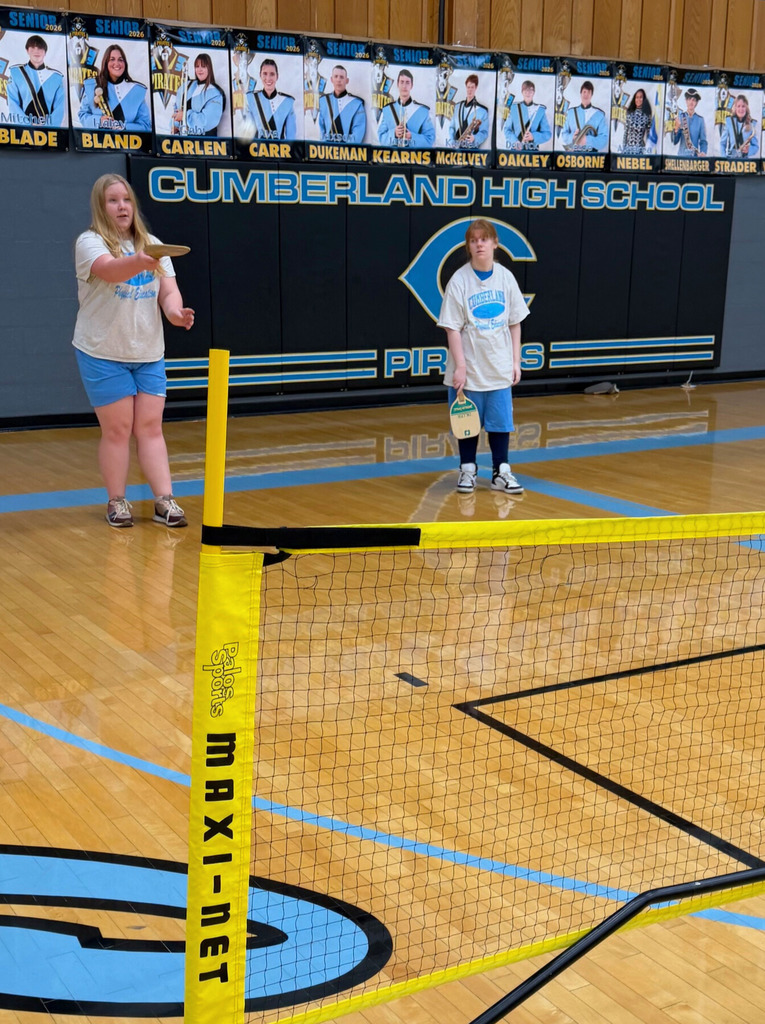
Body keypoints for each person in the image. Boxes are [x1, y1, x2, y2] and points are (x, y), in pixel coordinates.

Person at [72, 174, 194, 528]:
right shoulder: (90, 243)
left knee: (151, 426)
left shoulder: (152, 244)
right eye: (112, 200)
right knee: (118, 429)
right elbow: (111, 272)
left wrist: (174, 312)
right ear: (101, 206)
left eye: (126, 199)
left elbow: (168, 291)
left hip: (148, 351)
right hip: (102, 351)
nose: (121, 206)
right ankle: (117, 501)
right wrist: (141, 261)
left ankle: (164, 500)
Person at [437, 219, 529, 495]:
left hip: (498, 366)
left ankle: (501, 472)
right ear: (468, 246)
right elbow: (452, 327)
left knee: (501, 423)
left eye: (484, 239)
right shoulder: (459, 281)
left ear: (494, 243)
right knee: (467, 424)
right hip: (469, 368)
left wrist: (515, 361)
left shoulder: (505, 278)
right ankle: (467, 470)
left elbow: (515, 322)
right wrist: (460, 366)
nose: (479, 244)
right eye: (474, 240)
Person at [78, 44, 151, 132]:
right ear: (106, 62)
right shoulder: (92, 85)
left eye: (120, 60)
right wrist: (99, 121)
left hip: (127, 144)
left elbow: (145, 125)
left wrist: (123, 127)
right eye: (112, 59)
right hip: (98, 144)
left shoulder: (137, 90)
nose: (117, 63)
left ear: (125, 63)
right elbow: (82, 115)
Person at [7, 35, 65, 127]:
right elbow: (12, 103)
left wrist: (48, 128)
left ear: (45, 52)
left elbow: (60, 108)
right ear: (27, 50)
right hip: (22, 131)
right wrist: (27, 125)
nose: (36, 51)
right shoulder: (16, 73)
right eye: (33, 47)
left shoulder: (56, 77)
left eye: (40, 48)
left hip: (49, 133)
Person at [377, 69, 435, 148]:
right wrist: (394, 133)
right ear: (397, 84)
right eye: (402, 82)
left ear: (411, 85)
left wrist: (412, 137)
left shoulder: (422, 111)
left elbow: (430, 139)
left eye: (407, 82)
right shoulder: (387, 109)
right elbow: (380, 138)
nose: (404, 86)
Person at [172, 53, 225, 136]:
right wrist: (174, 126)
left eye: (203, 66)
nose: (200, 70)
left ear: (209, 68)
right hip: (181, 143)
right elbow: (176, 112)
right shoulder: (186, 86)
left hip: (204, 143)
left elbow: (206, 122)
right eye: (197, 66)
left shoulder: (215, 93)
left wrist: (185, 116)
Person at [247, 58, 296, 140]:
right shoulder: (251, 99)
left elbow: (291, 138)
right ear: (260, 75)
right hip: (256, 150)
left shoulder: (287, 102)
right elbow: (247, 135)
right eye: (265, 74)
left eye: (272, 74)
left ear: (277, 76)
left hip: (280, 151)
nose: (268, 78)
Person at [319, 65, 366, 144]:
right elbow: (321, 130)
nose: (338, 80)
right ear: (331, 79)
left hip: (348, 153)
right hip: (326, 153)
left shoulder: (357, 103)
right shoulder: (323, 101)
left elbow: (358, 135)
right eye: (336, 76)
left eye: (341, 77)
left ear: (346, 80)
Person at [503, 79, 551, 150]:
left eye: (530, 91)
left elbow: (547, 134)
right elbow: (507, 129)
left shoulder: (540, 110)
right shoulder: (514, 108)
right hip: (516, 150)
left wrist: (534, 136)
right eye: (525, 91)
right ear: (522, 92)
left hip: (532, 151)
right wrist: (515, 141)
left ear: (534, 92)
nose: (528, 93)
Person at [560, 80, 608, 152]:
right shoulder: (571, 113)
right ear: (580, 93)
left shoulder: (599, 115)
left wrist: (587, 140)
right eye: (584, 92)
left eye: (589, 92)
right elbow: (563, 135)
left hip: (592, 157)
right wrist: (572, 137)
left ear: (592, 95)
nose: (586, 95)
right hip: (574, 156)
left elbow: (603, 139)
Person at [448, 74, 489, 149]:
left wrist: (475, 138)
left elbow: (484, 132)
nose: (470, 90)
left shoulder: (483, 111)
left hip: (472, 150)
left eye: (472, 87)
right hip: (456, 149)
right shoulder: (457, 106)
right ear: (466, 87)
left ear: (476, 88)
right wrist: (451, 141)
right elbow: (452, 127)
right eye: (468, 87)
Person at [671, 88, 707, 156]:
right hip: (682, 159)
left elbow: (703, 141)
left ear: (696, 103)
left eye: (693, 100)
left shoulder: (700, 120)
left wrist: (703, 152)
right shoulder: (680, 117)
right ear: (686, 101)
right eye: (689, 99)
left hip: (695, 159)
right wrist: (676, 129)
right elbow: (674, 141)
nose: (691, 102)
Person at [721, 94, 758, 158]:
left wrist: (749, 150)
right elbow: (722, 143)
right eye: (738, 106)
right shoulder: (729, 121)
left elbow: (756, 146)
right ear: (735, 108)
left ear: (746, 108)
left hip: (744, 163)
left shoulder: (752, 124)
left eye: (743, 106)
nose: (741, 109)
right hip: (730, 162)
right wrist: (724, 159)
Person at [621, 88, 652, 154]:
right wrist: (624, 148)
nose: (638, 99)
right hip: (629, 149)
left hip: (640, 149)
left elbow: (648, 135)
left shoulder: (647, 115)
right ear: (634, 99)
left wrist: (648, 150)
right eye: (637, 97)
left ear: (644, 99)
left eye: (641, 97)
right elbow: (626, 132)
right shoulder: (629, 113)